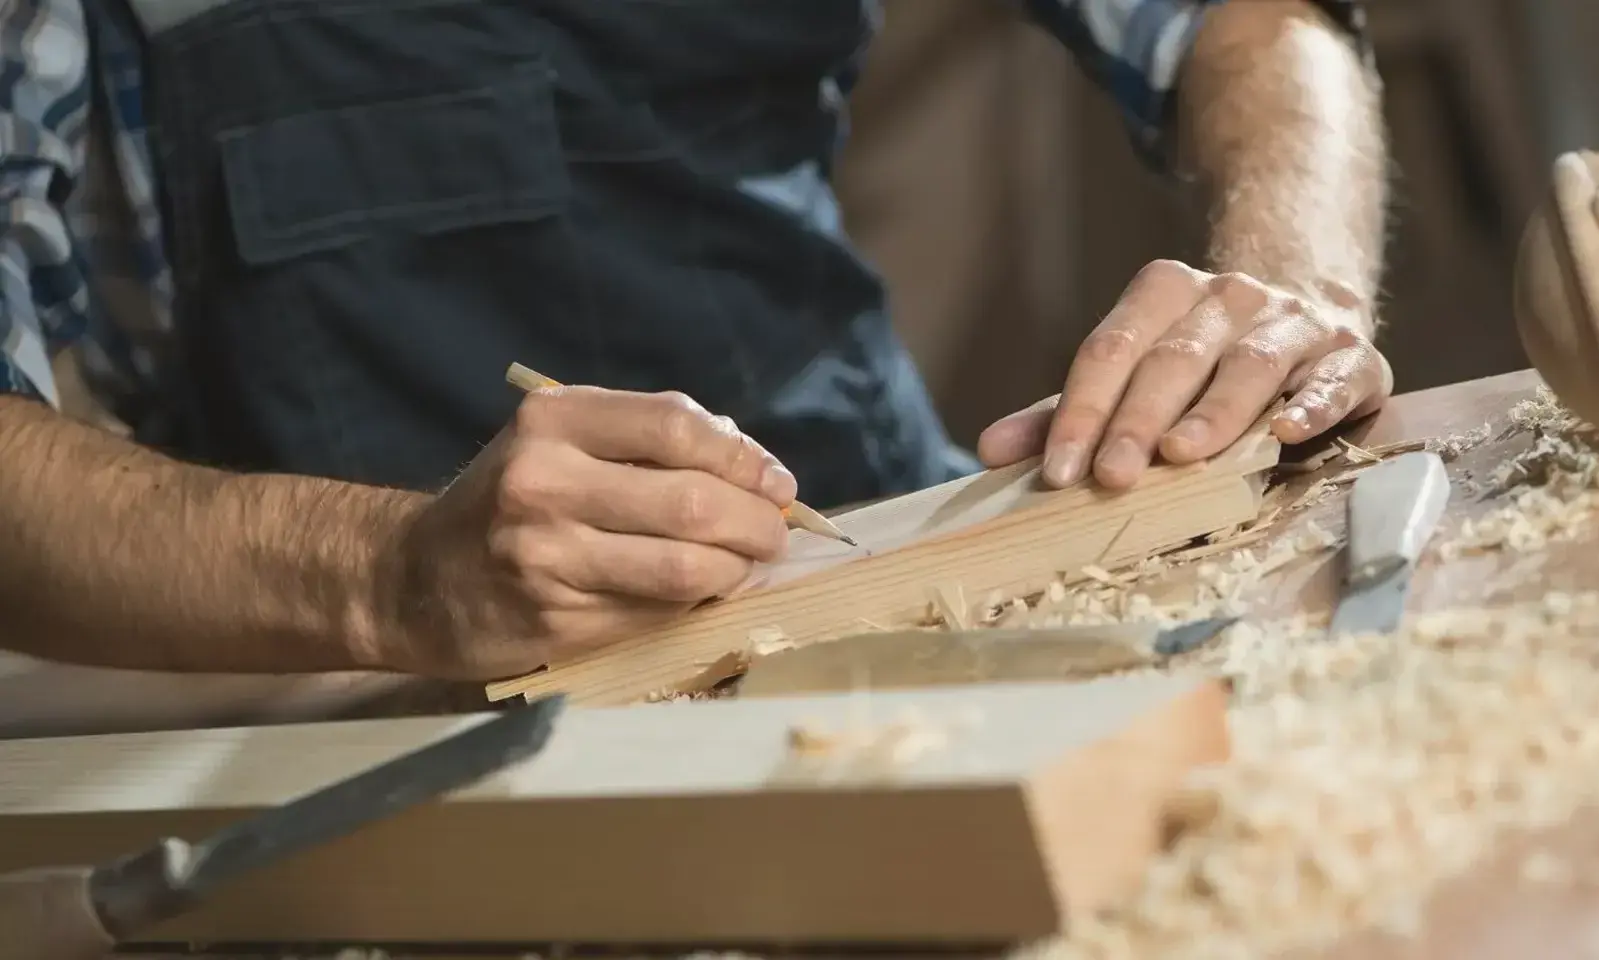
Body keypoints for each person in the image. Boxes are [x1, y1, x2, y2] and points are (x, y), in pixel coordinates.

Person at [0, 0, 1387, 730]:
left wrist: (1294, 281)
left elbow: (1245, 16)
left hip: (881, 563)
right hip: (403, 718)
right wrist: (392, 574)